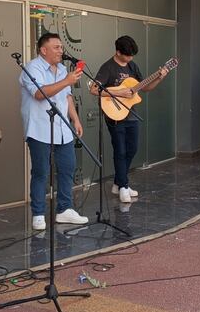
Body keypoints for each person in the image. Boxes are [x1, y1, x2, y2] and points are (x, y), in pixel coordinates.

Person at [20, 33, 89, 231]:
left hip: (62, 127)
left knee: (67, 167)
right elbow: (40, 94)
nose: (61, 50)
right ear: (44, 50)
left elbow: (67, 97)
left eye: (61, 47)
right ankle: (39, 213)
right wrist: (67, 80)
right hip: (39, 127)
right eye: (57, 47)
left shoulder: (61, 69)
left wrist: (75, 119)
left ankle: (65, 209)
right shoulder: (32, 67)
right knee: (41, 171)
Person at [91, 35, 168, 203]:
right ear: (118, 52)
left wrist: (160, 77)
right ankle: (124, 186)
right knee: (120, 150)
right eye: (127, 55)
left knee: (132, 149)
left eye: (132, 55)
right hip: (115, 114)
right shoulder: (108, 67)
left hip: (131, 114)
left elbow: (145, 88)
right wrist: (119, 92)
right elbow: (94, 90)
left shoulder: (133, 66)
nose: (130, 58)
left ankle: (119, 182)